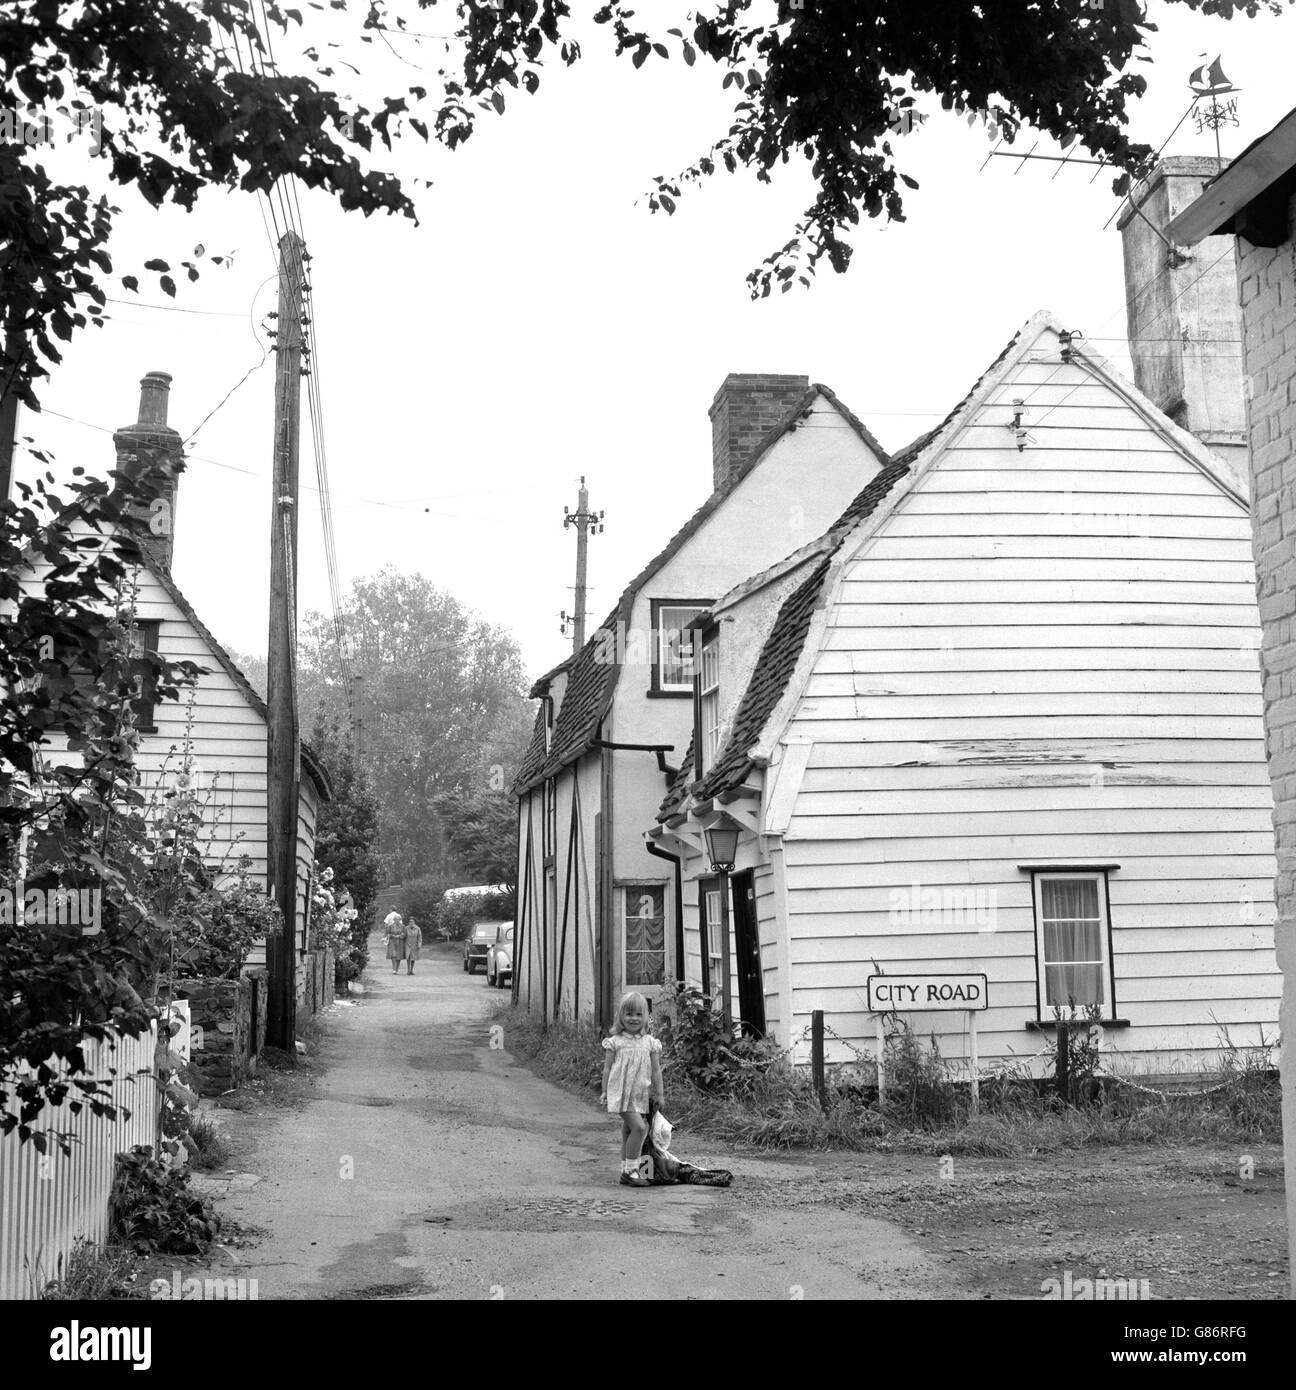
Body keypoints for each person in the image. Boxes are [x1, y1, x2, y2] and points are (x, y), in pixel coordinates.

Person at [599, 991, 664, 1188]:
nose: (633, 1019)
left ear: (646, 1017)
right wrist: (604, 1091)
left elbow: (655, 1071)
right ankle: (631, 1172)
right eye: (628, 1014)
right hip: (620, 1093)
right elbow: (607, 1068)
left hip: (639, 1094)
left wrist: (660, 1093)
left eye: (638, 1014)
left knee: (628, 1130)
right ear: (620, 1016)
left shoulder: (649, 1042)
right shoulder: (616, 1041)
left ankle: (625, 1168)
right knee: (639, 1128)